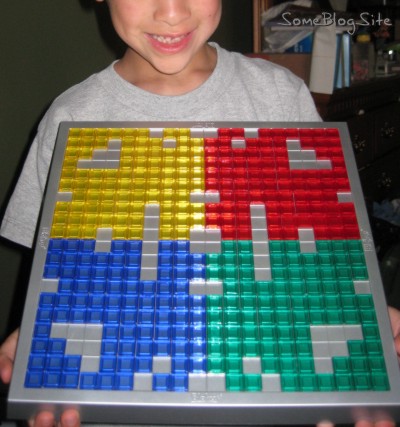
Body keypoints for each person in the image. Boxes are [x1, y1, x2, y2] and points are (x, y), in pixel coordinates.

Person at [0, 1, 398, 427]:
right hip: (121, 383)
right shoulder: (70, 117)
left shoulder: (279, 96)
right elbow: (64, 270)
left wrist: (359, 310)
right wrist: (42, 333)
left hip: (259, 377)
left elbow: (315, 252)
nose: (172, 12)